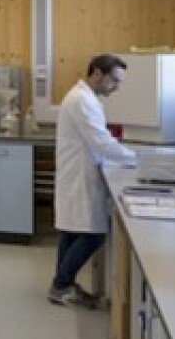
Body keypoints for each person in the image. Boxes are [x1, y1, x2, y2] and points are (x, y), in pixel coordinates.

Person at [50, 54, 138, 307]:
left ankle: (62, 284)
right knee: (93, 235)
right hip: (79, 175)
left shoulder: (85, 98)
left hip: (78, 172)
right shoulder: (82, 100)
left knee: (71, 232)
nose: (117, 87)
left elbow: (100, 139)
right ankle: (61, 285)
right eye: (115, 80)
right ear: (97, 74)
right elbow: (100, 141)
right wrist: (136, 159)